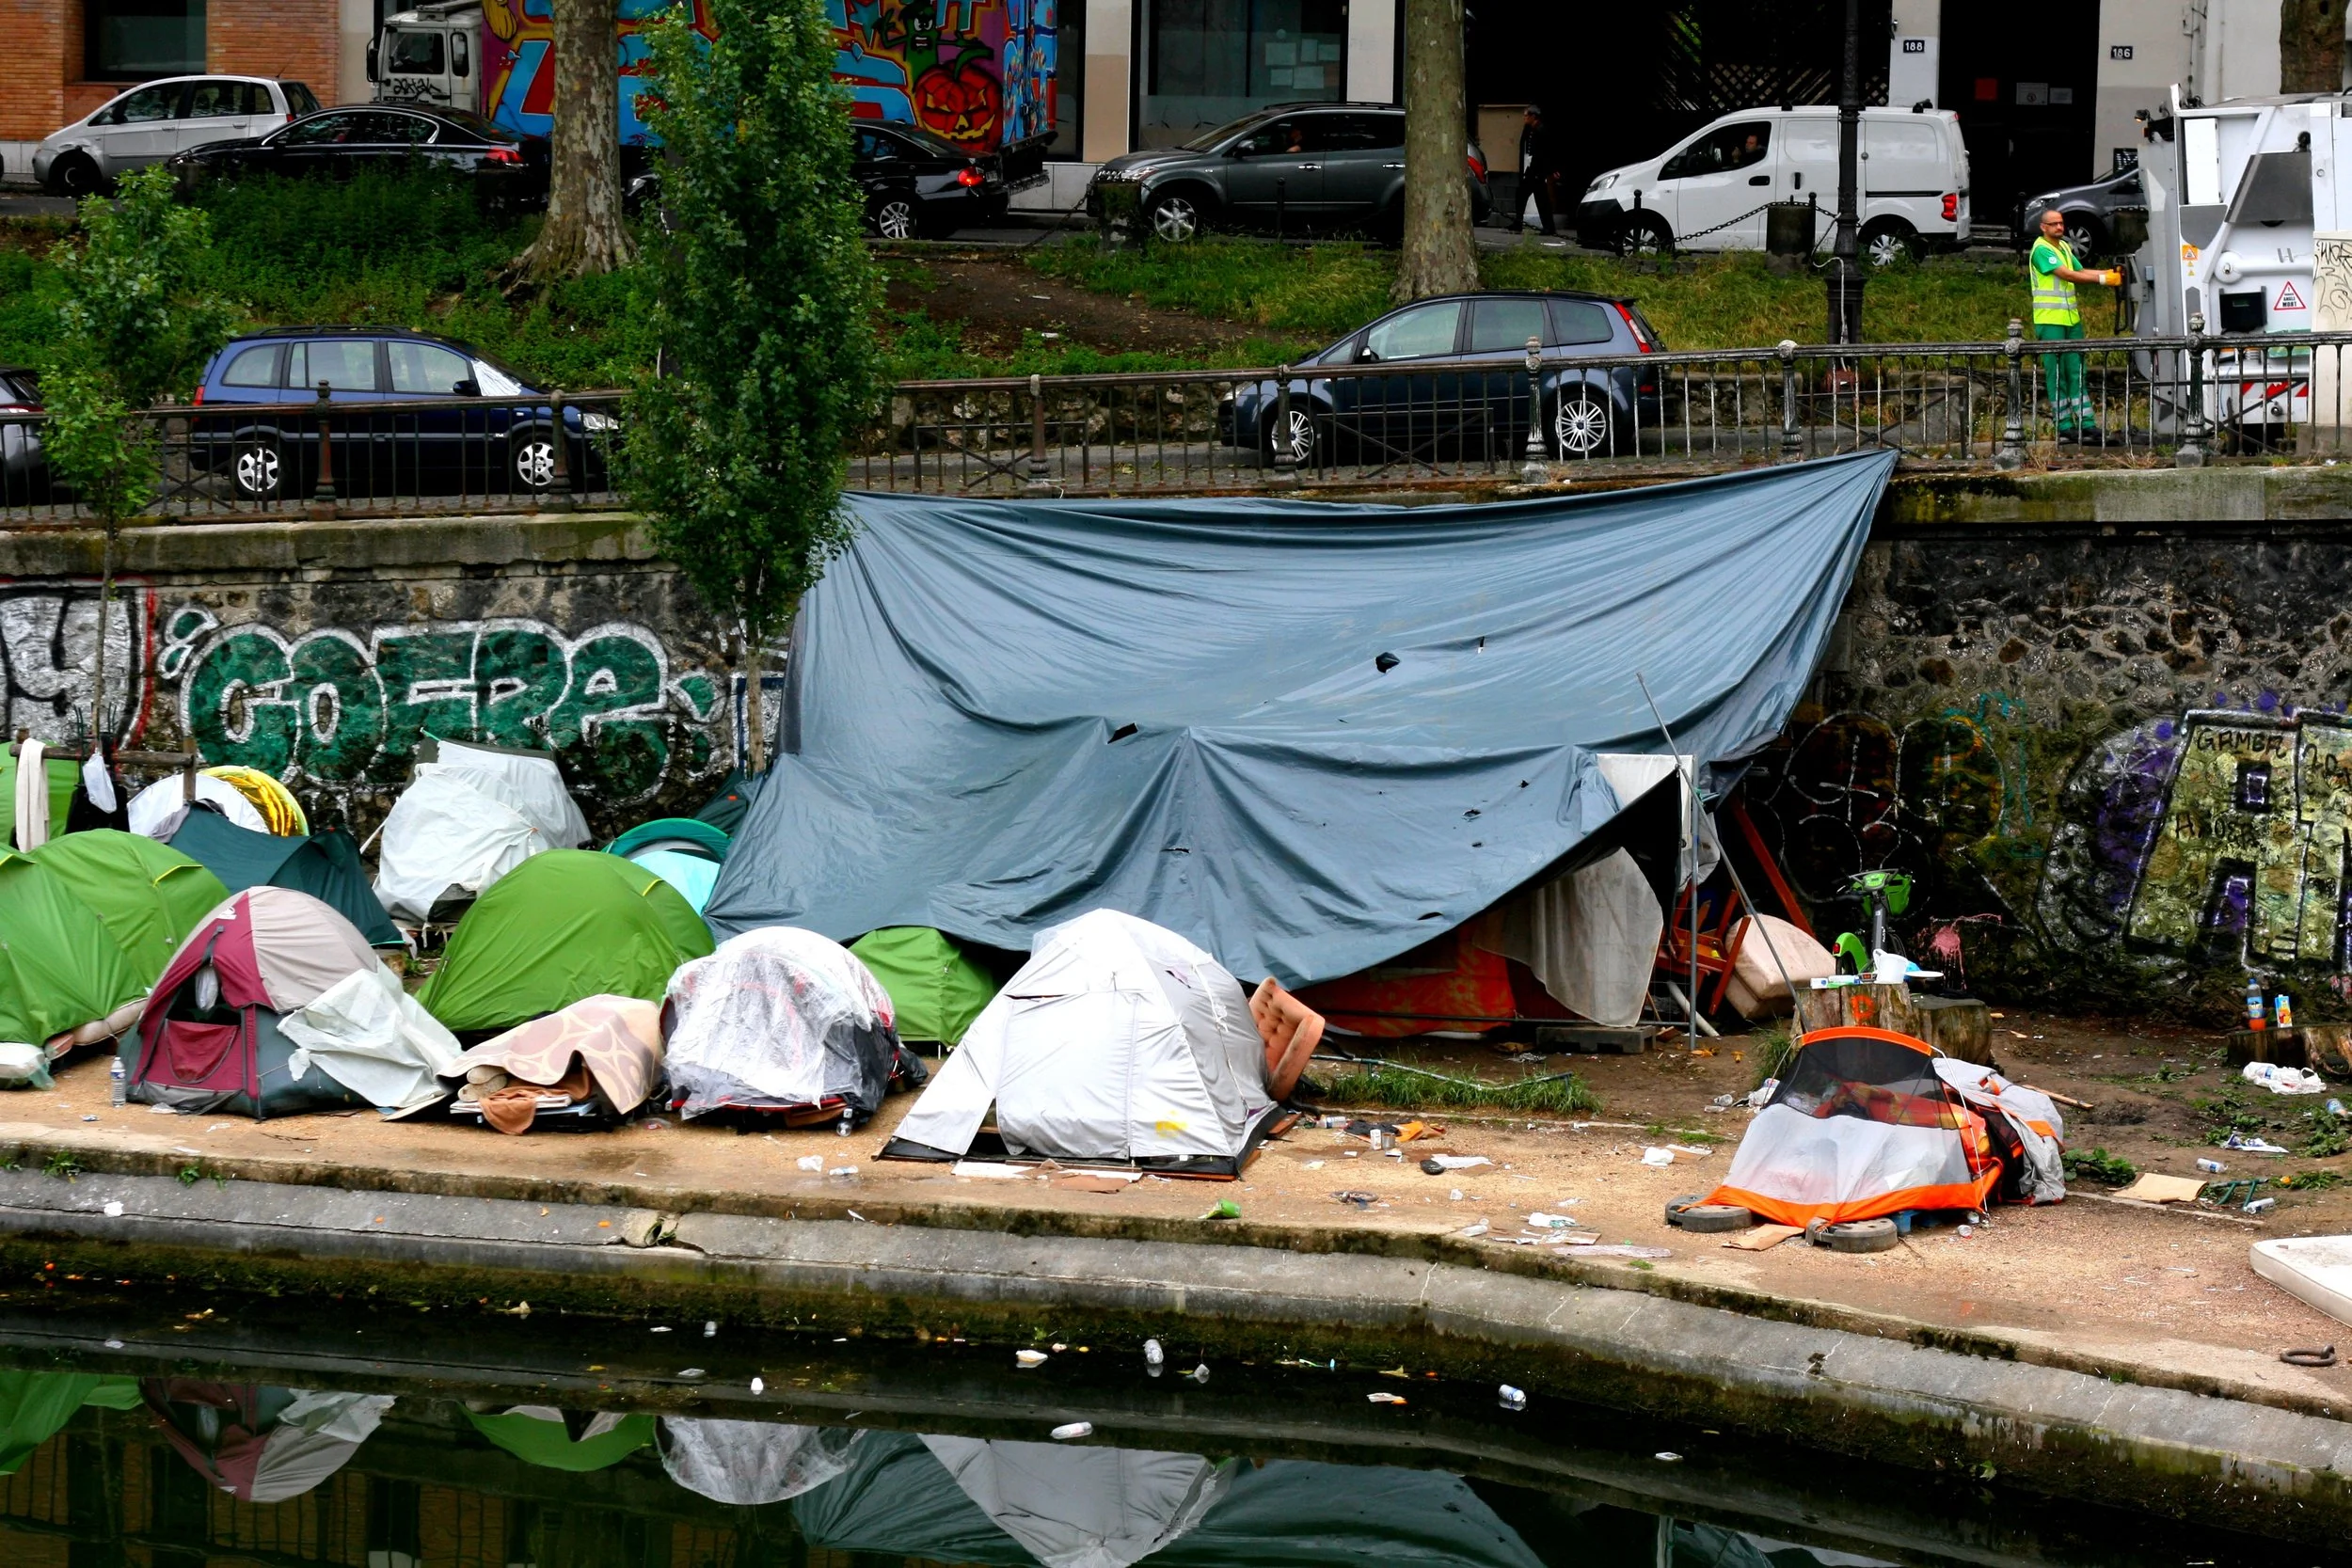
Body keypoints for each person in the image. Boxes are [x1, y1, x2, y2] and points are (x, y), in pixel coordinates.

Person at [2029, 208, 2122, 443]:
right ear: (2043, 227)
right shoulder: (2042, 250)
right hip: (2050, 321)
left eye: (2061, 223)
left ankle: (2087, 424)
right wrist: (2103, 279)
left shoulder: (2063, 248)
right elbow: (2068, 276)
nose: (2059, 227)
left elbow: (2080, 271)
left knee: (2076, 372)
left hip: (2070, 320)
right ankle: (2064, 425)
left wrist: (2111, 273)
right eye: (2054, 224)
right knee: (2057, 373)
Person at [1514, 103, 1562, 236]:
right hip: (1533, 169)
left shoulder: (1542, 130)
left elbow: (1547, 153)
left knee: (1539, 199)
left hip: (1537, 171)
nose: (1524, 119)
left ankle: (1548, 227)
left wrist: (1550, 170)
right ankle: (1520, 222)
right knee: (1525, 195)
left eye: (1526, 116)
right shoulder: (1530, 129)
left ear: (1533, 116)